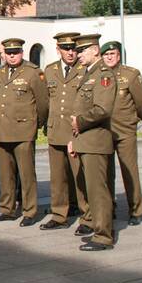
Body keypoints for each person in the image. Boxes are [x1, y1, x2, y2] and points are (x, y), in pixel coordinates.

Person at [0, 37, 48, 226]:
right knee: (5, 174)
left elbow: (43, 103)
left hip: (23, 130)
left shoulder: (32, 73)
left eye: (16, 53)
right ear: (4, 55)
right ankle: (7, 208)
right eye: (9, 53)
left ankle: (30, 210)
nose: (12, 57)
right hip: (2, 130)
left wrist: (35, 124)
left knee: (27, 173)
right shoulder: (0, 73)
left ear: (22, 53)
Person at [67, 34, 117, 251]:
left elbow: (103, 108)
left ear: (95, 50)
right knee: (91, 189)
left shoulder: (103, 75)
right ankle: (99, 227)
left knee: (98, 191)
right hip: (85, 140)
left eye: (82, 51)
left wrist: (79, 121)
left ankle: (103, 235)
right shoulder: (88, 74)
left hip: (96, 141)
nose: (78, 55)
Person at [40, 32, 88, 230]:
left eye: (73, 49)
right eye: (66, 48)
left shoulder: (85, 69)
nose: (70, 52)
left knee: (80, 177)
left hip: (75, 131)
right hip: (55, 130)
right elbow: (46, 100)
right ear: (58, 49)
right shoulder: (50, 70)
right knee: (58, 177)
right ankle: (59, 214)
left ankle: (87, 217)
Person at [100, 41, 142, 225]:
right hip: (103, 130)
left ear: (119, 55)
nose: (109, 57)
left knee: (129, 170)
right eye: (106, 55)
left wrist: (133, 121)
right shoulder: (98, 75)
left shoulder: (130, 74)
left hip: (124, 130)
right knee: (105, 172)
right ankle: (109, 207)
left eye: (112, 54)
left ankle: (136, 209)